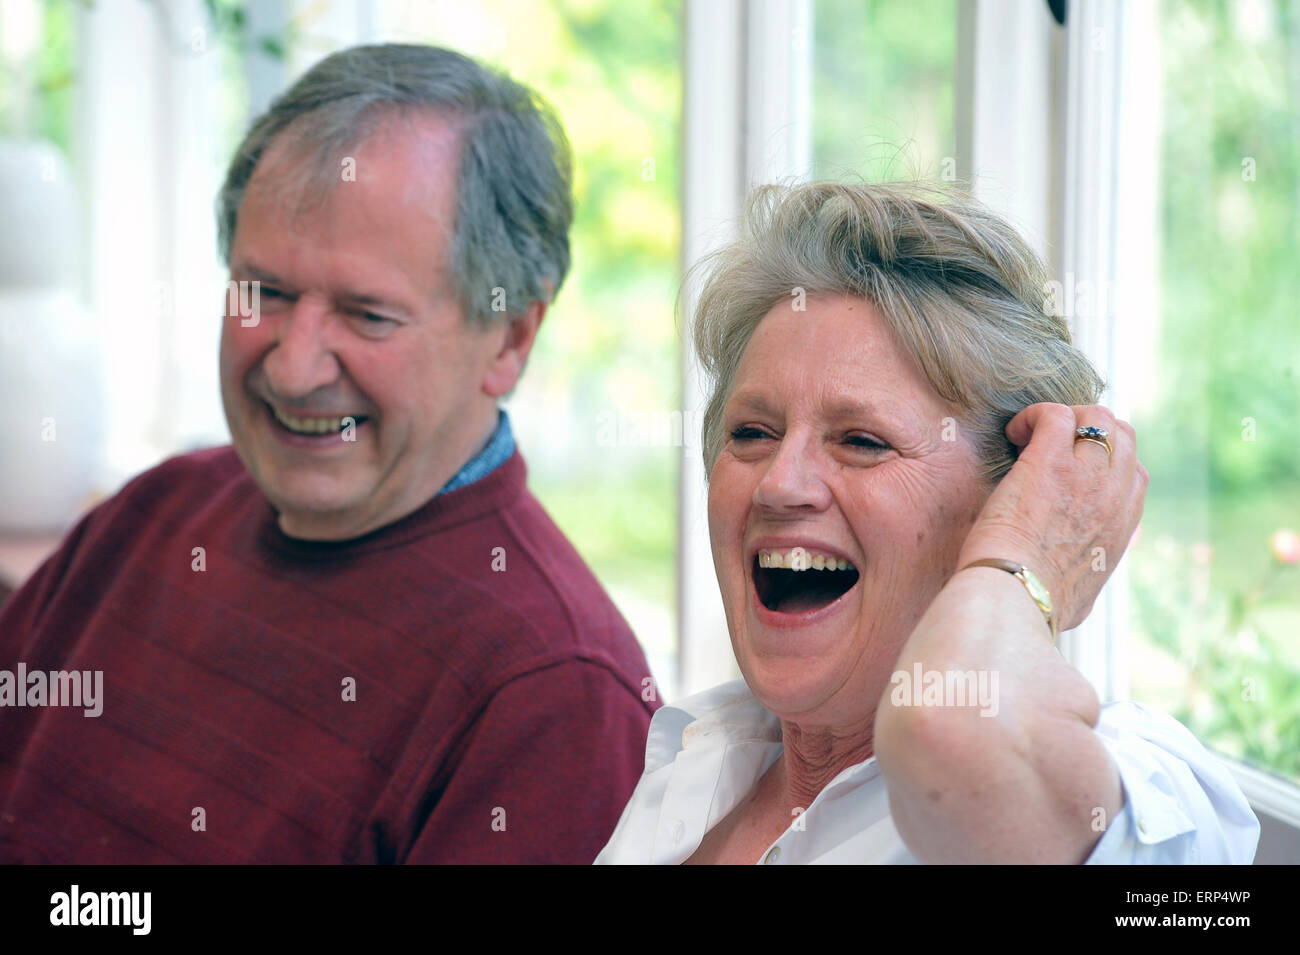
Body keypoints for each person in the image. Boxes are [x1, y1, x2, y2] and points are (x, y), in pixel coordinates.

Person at [0, 44, 658, 864]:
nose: (292, 366)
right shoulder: (151, 513)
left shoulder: (556, 698)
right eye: (264, 292)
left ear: (511, 338)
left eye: (367, 313)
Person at [596, 181, 1260, 864]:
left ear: (1012, 499)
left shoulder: (1146, 801)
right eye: (753, 431)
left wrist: (1031, 559)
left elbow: (954, 734)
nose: (778, 484)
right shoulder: (704, 752)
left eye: (861, 440)